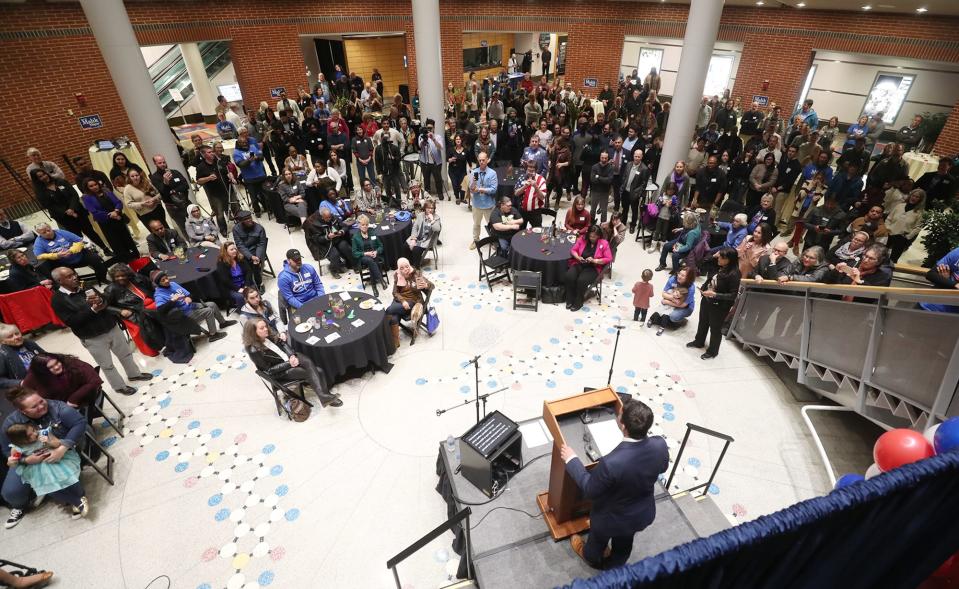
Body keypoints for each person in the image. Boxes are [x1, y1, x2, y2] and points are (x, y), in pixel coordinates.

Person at [559, 398, 668, 569]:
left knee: (597, 540)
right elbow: (662, 468)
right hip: (641, 514)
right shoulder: (660, 445)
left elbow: (589, 489)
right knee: (625, 542)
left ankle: (591, 557)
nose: (618, 414)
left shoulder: (611, 463)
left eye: (619, 414)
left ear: (623, 425)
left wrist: (572, 459)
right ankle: (616, 565)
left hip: (610, 519)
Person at [50, 267, 151, 395]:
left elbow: (105, 299)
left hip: (111, 327)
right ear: (60, 281)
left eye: (74, 274)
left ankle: (134, 374)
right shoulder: (58, 300)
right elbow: (71, 321)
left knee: (125, 354)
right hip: (92, 337)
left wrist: (101, 300)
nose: (75, 277)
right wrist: (92, 310)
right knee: (107, 365)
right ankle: (119, 387)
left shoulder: (84, 286)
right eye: (69, 276)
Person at [1, 387, 89, 528]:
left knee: (60, 474)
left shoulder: (59, 408)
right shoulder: (12, 423)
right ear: (23, 412)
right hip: (31, 460)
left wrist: (62, 448)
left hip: (61, 449)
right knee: (11, 493)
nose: (41, 406)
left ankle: (77, 498)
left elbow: (79, 423)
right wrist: (24, 460)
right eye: (34, 407)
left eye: (41, 401)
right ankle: (23, 504)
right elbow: (8, 450)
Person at [243, 319, 341, 407]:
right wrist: (289, 363)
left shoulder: (268, 334)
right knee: (318, 371)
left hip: (288, 359)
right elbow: (269, 371)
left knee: (309, 363)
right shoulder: (253, 350)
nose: (266, 329)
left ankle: (325, 396)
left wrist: (292, 355)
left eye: (265, 326)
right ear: (253, 332)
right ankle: (325, 396)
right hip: (280, 371)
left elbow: (283, 344)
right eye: (262, 328)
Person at [151, 270, 235, 341]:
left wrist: (189, 297)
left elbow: (189, 294)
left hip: (190, 305)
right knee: (208, 311)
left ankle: (222, 323)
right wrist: (172, 301)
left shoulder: (172, 284)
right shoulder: (159, 295)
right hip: (183, 314)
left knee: (212, 304)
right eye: (163, 280)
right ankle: (213, 335)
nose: (166, 281)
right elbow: (160, 311)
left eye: (166, 278)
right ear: (158, 283)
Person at [687, 248, 741, 359]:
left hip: (719, 305)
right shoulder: (717, 265)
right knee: (703, 322)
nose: (719, 259)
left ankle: (712, 351)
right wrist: (713, 256)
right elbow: (701, 263)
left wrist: (715, 295)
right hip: (707, 299)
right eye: (719, 256)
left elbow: (733, 295)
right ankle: (699, 341)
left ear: (729, 260)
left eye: (722, 257)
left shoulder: (734, 274)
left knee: (715, 328)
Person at [78, 178, 140, 262]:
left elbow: (118, 202)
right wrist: (112, 215)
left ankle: (136, 256)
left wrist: (116, 211)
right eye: (91, 186)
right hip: (106, 222)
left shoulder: (106, 190)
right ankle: (125, 260)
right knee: (115, 242)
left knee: (127, 238)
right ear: (87, 188)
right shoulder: (86, 197)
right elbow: (94, 212)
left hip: (118, 218)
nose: (94, 187)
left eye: (95, 184)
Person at [32, 223, 107, 283]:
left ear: (51, 228)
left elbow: (80, 241)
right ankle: (79, 286)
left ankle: (102, 278)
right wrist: (56, 255)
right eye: (44, 232)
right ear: (40, 234)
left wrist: (71, 250)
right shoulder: (39, 241)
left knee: (96, 259)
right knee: (66, 275)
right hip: (62, 262)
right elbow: (39, 256)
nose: (47, 233)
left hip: (78, 255)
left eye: (48, 230)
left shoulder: (61, 232)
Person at [385, 258, 433, 347]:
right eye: (402, 268)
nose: (405, 270)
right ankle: (396, 342)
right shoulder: (398, 275)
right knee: (394, 317)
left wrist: (426, 285)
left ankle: (385, 335)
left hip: (413, 301)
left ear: (409, 265)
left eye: (407, 266)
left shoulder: (416, 274)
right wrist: (402, 301)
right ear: (399, 268)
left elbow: (432, 286)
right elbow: (395, 292)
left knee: (389, 310)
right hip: (400, 300)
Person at [21, 354, 101, 408]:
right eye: (51, 367)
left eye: (57, 363)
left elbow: (95, 380)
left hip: (80, 401)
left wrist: (73, 398)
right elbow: (24, 391)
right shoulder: (35, 375)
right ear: (43, 371)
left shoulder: (72, 363)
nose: (56, 367)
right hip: (54, 406)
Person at [564, 225, 613, 312]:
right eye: (590, 236)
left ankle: (578, 302)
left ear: (598, 236)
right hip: (580, 263)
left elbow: (609, 258)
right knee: (569, 276)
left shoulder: (604, 243)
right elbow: (573, 250)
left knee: (581, 280)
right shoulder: (583, 239)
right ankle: (570, 299)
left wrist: (595, 260)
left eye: (594, 236)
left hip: (593, 268)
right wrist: (578, 257)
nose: (591, 238)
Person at [195, 145, 234, 235]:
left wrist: (230, 174)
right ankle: (223, 229)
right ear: (204, 155)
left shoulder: (218, 162)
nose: (212, 153)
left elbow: (226, 171)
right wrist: (208, 178)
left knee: (232, 207)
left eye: (212, 151)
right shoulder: (201, 167)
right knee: (219, 213)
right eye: (209, 152)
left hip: (226, 189)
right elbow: (199, 181)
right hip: (215, 194)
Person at [647, 266, 697, 336]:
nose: (679, 276)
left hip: (685, 307)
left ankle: (680, 321)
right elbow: (664, 294)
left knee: (673, 317)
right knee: (659, 311)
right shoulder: (673, 279)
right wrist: (673, 299)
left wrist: (668, 302)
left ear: (688, 278)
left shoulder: (691, 287)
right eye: (679, 273)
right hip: (675, 301)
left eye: (683, 276)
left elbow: (683, 304)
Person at [150, 154, 192, 237]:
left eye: (164, 162)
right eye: (160, 163)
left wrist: (174, 190)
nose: (163, 164)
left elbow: (186, 185)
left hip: (185, 202)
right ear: (155, 164)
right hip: (173, 207)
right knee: (183, 227)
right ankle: (192, 243)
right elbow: (164, 193)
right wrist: (165, 183)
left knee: (194, 221)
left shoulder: (175, 172)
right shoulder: (155, 177)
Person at [304, 208, 351, 279]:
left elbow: (344, 226)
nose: (329, 219)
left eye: (330, 217)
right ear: (322, 217)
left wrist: (341, 232)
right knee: (335, 254)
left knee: (345, 247)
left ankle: (351, 264)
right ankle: (334, 270)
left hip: (337, 239)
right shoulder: (315, 224)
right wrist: (327, 237)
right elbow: (317, 239)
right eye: (327, 218)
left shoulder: (334, 218)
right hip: (326, 244)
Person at [885, 188, 925, 262]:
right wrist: (888, 228)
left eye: (917, 197)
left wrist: (908, 236)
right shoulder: (899, 206)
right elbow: (889, 218)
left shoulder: (919, 213)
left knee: (893, 259)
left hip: (902, 237)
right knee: (882, 255)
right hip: (890, 234)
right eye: (913, 195)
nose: (914, 198)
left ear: (920, 199)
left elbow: (918, 227)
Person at [0, 324, 44, 389]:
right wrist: (21, 383)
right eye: (10, 337)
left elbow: (45, 356)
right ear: (2, 341)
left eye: (17, 333)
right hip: (26, 388)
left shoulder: (29, 343)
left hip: (44, 377)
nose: (16, 337)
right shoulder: (2, 355)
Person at [232, 210, 268, 289]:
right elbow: (239, 245)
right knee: (238, 262)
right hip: (244, 251)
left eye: (250, 217)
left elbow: (261, 244)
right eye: (245, 219)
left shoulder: (259, 228)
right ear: (241, 221)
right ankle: (246, 283)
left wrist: (257, 256)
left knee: (255, 264)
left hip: (257, 250)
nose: (249, 220)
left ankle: (259, 283)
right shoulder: (236, 229)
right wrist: (250, 256)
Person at [232, 137, 268, 217]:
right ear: (238, 143)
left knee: (264, 194)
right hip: (249, 178)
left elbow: (262, 157)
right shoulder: (236, 153)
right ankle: (257, 211)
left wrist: (257, 157)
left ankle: (267, 207)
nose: (244, 144)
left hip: (260, 175)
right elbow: (240, 164)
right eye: (242, 142)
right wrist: (249, 160)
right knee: (254, 197)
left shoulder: (253, 147)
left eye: (245, 142)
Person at [352, 215, 387, 295]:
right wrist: (365, 253)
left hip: (374, 255)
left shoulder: (372, 232)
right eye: (363, 225)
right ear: (359, 225)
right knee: (369, 260)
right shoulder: (355, 237)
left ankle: (374, 287)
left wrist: (376, 252)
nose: (365, 227)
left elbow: (380, 246)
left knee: (372, 261)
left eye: (366, 225)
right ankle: (381, 280)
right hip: (363, 257)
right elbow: (354, 253)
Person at [469, 152, 498, 248]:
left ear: (487, 160)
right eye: (480, 160)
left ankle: (493, 241)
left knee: (491, 225)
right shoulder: (475, 172)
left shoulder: (492, 173)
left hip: (488, 205)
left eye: (483, 160)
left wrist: (481, 189)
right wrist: (473, 186)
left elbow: (494, 189)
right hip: (477, 204)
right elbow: (472, 189)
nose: (481, 162)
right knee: (476, 224)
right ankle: (476, 240)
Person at [216, 241, 255, 310]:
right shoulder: (221, 263)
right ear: (225, 252)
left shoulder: (240, 258)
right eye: (232, 249)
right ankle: (244, 312)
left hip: (244, 283)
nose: (235, 251)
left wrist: (246, 285)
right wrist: (238, 289)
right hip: (232, 287)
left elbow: (248, 271)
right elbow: (225, 280)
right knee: (240, 297)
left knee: (253, 291)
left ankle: (257, 307)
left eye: (235, 249)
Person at [620, 149, 649, 234]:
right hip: (625, 191)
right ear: (633, 156)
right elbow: (625, 176)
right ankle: (623, 223)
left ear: (641, 157)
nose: (636, 158)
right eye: (635, 156)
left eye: (638, 157)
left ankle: (633, 225)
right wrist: (623, 185)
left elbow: (644, 184)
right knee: (624, 209)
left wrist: (637, 193)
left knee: (634, 210)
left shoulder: (644, 169)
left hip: (634, 194)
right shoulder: (629, 164)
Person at [407, 199, 441, 268]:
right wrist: (413, 238)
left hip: (427, 240)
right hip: (417, 237)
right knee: (405, 246)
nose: (430, 210)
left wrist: (432, 220)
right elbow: (415, 227)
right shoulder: (420, 215)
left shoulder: (436, 218)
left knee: (416, 250)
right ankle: (411, 264)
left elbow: (437, 229)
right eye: (428, 208)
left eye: (432, 208)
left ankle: (416, 268)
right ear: (425, 208)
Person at [514, 159, 546, 227]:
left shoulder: (541, 179)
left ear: (536, 170)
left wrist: (536, 186)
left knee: (537, 231)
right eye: (528, 170)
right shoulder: (522, 178)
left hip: (535, 212)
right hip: (522, 210)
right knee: (520, 231)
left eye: (532, 171)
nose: (530, 173)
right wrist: (525, 186)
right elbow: (516, 193)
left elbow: (542, 197)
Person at [588, 151, 614, 223]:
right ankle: (591, 223)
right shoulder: (594, 167)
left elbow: (609, 180)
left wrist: (598, 177)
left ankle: (603, 225)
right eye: (602, 158)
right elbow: (592, 180)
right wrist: (603, 179)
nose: (604, 159)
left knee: (604, 210)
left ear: (608, 158)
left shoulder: (610, 168)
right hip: (595, 191)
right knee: (593, 209)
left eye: (605, 158)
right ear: (600, 157)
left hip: (605, 192)